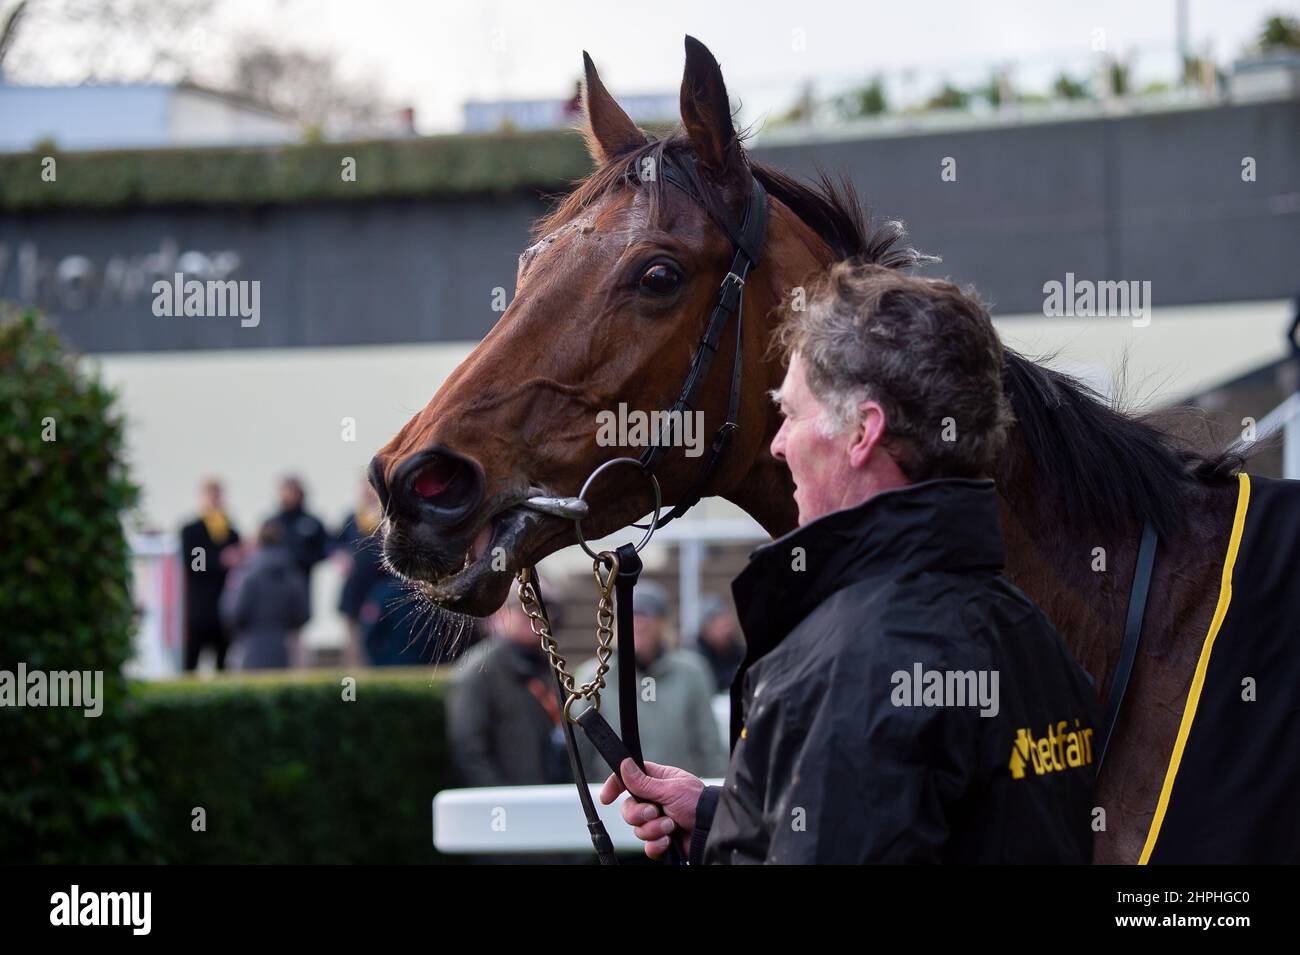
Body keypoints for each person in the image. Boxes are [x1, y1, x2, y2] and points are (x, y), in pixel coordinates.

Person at [601, 262, 1101, 864]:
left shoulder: (852, 667)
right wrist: (717, 820)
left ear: (863, 431)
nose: (779, 443)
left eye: (790, 413)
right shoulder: (1030, 634)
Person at [574, 581, 728, 783]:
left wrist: (717, 795)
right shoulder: (592, 676)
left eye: (646, 614)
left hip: (679, 797)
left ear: (663, 623)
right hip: (613, 797)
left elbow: (709, 743)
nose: (637, 623)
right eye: (631, 614)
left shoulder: (691, 673)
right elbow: (580, 749)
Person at [445, 599, 571, 787]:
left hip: (547, 797)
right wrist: (502, 802)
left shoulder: (547, 666)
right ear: (500, 613)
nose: (534, 615)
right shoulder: (479, 670)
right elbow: (469, 751)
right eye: (525, 606)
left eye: (544, 607)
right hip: (507, 806)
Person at [220, 520, 310, 670]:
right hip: (285, 648)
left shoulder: (244, 574)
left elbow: (233, 612)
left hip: (249, 648)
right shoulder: (293, 574)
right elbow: (302, 613)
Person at [179, 478, 241, 671]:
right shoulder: (192, 530)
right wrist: (220, 561)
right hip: (199, 608)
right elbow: (196, 565)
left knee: (223, 661)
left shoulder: (231, 532)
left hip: (223, 607)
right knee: (191, 661)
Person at [334, 479, 387, 667]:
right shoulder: (352, 517)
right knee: (354, 640)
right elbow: (335, 543)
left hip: (378, 589)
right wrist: (340, 556)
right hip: (355, 589)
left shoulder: (387, 516)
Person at [268, 475, 329, 609]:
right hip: (276, 582)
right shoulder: (272, 523)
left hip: (302, 579)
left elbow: (325, 548)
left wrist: (305, 560)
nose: (289, 495)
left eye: (292, 491)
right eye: (286, 491)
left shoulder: (312, 522)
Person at [691, 595, 745, 693]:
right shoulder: (695, 657)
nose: (727, 629)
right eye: (719, 624)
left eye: (727, 623)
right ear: (705, 628)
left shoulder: (738, 653)